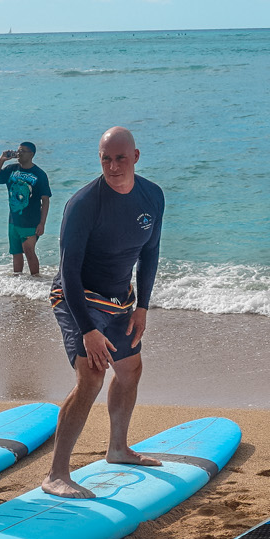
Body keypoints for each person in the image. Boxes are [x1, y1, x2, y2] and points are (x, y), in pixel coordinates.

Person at [42, 126, 165, 499]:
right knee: (92, 376)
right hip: (77, 298)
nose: (113, 166)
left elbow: (150, 254)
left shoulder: (152, 196)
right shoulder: (83, 204)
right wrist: (87, 330)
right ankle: (56, 474)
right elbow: (68, 272)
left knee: (130, 370)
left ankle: (118, 448)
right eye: (106, 159)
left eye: (120, 158)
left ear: (135, 157)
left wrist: (142, 306)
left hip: (121, 300)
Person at [0, 142, 53, 276]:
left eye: (23, 151)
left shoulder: (39, 174)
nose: (19, 153)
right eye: (18, 150)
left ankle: (36, 280)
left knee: (28, 251)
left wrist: (42, 223)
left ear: (31, 154)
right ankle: (18, 282)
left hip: (31, 221)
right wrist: (2, 160)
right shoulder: (11, 169)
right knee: (16, 253)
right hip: (14, 220)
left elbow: (45, 200)